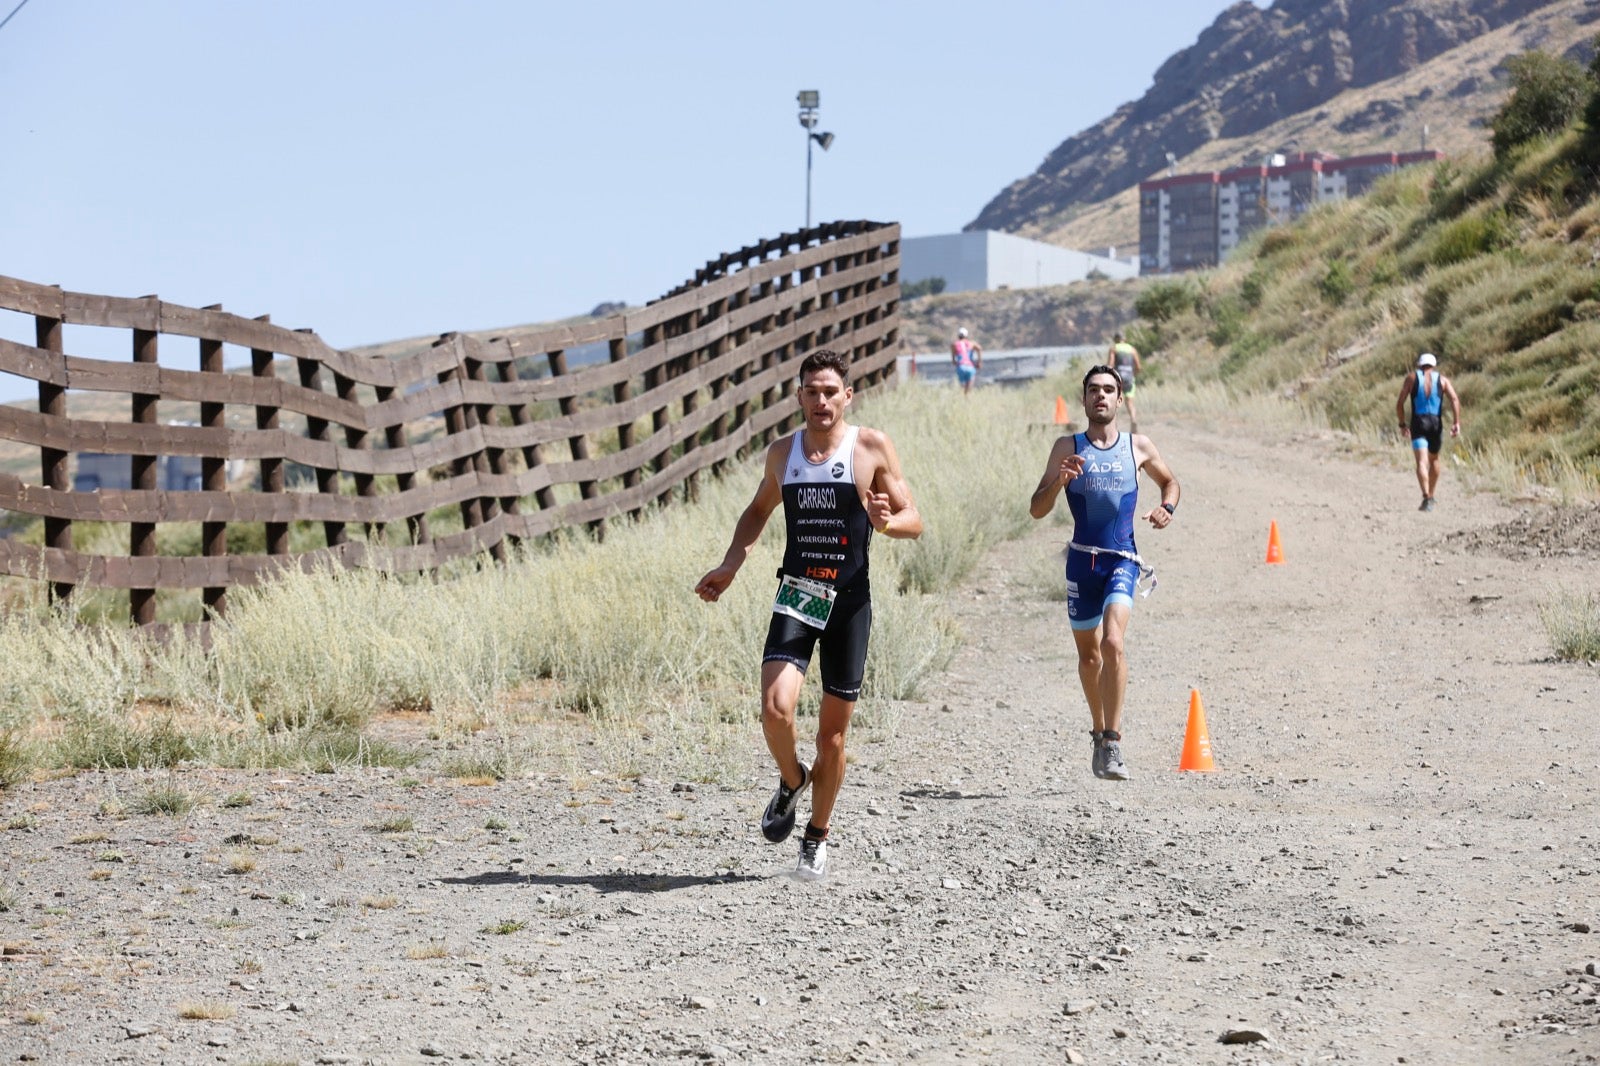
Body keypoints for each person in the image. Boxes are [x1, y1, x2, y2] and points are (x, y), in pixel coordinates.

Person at [695, 349, 922, 880]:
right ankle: (792, 780)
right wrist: (730, 565)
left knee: (832, 738)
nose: (821, 401)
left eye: (830, 392)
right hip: (800, 593)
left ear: (848, 396)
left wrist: (886, 523)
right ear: (799, 397)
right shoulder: (783, 453)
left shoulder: (870, 446)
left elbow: (914, 518)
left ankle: (816, 836)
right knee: (775, 710)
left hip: (849, 603)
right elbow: (758, 510)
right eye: (812, 392)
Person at [1029, 365, 1179, 781]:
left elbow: (1170, 483)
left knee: (1113, 642)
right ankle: (1097, 732)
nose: (1101, 396)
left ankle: (1112, 740)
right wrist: (1059, 481)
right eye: (1093, 389)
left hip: (1121, 560)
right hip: (1081, 563)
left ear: (1119, 399)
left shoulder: (1137, 446)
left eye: (1109, 390)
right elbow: (1037, 509)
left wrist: (1166, 508)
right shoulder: (1067, 447)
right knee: (1089, 656)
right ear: (1084, 399)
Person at [1394, 352, 1462, 512]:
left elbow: (1400, 403)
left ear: (1420, 365)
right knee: (1434, 460)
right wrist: (1456, 422)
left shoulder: (1411, 378)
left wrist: (1402, 424)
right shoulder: (1443, 380)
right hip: (1436, 424)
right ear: (1434, 365)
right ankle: (1431, 494)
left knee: (1421, 462)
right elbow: (1454, 399)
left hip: (1419, 423)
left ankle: (1426, 496)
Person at [1107, 332, 1144, 432]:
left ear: (1115, 339)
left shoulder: (1114, 348)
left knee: (1114, 401)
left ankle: (1114, 425)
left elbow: (1110, 364)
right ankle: (1133, 419)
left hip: (1117, 378)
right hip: (1129, 378)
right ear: (1124, 339)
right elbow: (1138, 367)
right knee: (1130, 402)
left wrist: (1107, 375)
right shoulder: (1132, 349)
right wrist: (1133, 375)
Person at [950, 327, 983, 395]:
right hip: (970, 366)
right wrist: (979, 362)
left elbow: (953, 360)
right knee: (969, 386)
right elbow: (979, 349)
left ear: (958, 335)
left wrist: (954, 361)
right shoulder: (971, 343)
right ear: (966, 335)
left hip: (961, 366)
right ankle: (967, 397)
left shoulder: (954, 344)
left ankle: (963, 397)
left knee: (962, 386)